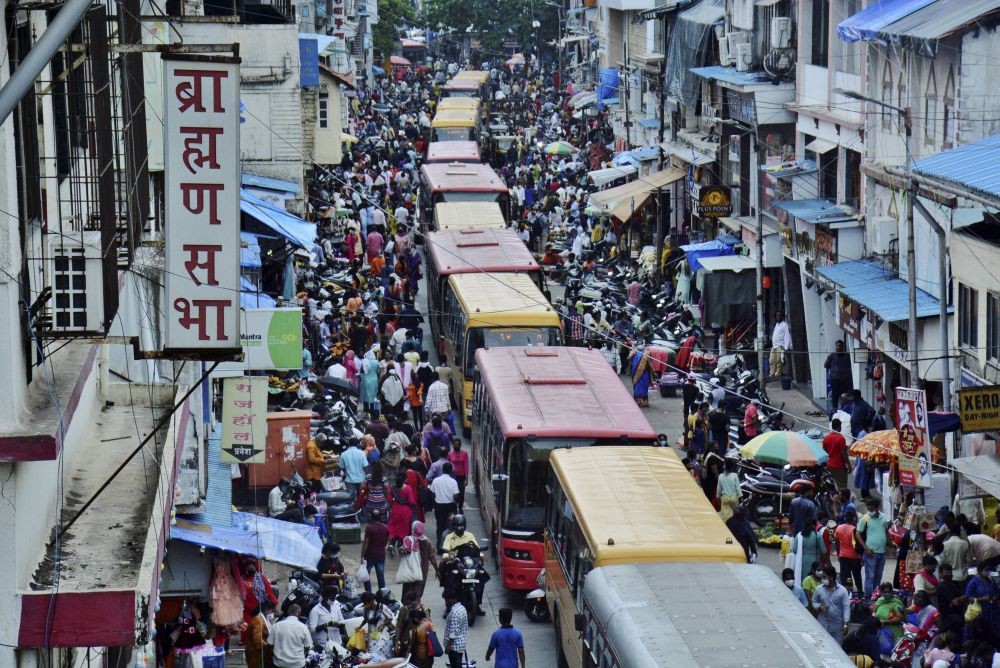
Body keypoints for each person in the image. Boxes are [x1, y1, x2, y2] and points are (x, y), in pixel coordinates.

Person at [856, 497, 890, 597]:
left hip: (882, 553)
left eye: (871, 509)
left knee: (878, 577)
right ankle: (867, 598)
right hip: (870, 553)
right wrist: (866, 549)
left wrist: (890, 544)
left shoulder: (883, 517)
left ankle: (876, 597)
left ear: (877, 508)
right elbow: (858, 534)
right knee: (870, 577)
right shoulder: (865, 519)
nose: (869, 511)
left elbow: (886, 532)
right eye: (868, 509)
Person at [812, 565, 851, 644]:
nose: (822, 579)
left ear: (831, 577)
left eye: (824, 577)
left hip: (837, 627)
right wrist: (819, 607)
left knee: (837, 648)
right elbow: (814, 601)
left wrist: (846, 624)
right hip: (822, 625)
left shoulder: (842, 591)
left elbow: (846, 607)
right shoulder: (819, 589)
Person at [402, 520, 437, 601]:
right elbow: (432, 557)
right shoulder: (427, 542)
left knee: (407, 589)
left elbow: (403, 551)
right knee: (419, 589)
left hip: (410, 569)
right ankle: (416, 603)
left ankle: (406, 606)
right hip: (422, 570)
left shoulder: (408, 540)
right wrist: (437, 569)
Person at [430, 461, 460, 547]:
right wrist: (455, 503)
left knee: (440, 526)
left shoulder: (436, 480)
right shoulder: (453, 481)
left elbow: (432, 492)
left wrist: (435, 503)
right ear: (451, 471)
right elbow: (456, 495)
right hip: (450, 506)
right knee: (450, 527)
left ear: (443, 470)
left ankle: (440, 546)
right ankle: (449, 546)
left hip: (439, 506)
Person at [834, 509, 864, 594]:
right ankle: (860, 592)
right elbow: (859, 545)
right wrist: (861, 557)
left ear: (845, 518)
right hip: (855, 557)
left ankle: (848, 592)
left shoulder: (839, 528)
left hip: (843, 556)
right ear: (854, 519)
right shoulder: (855, 530)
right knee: (857, 575)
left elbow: (837, 542)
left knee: (847, 576)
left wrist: (838, 553)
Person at [361, 509, 389, 593]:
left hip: (370, 555)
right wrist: (384, 547)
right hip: (380, 555)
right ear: (380, 517)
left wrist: (362, 555)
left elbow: (366, 543)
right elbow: (388, 539)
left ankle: (368, 592)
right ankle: (382, 593)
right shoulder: (385, 527)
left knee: (366, 575)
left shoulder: (369, 528)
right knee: (380, 575)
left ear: (371, 517)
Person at [824, 340, 853, 411]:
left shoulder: (847, 356)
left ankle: (844, 408)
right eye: (837, 346)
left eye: (839, 346)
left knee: (844, 394)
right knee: (835, 394)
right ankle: (834, 408)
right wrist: (834, 369)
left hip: (845, 379)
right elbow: (826, 365)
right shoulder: (831, 355)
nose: (838, 347)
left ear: (843, 347)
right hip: (834, 378)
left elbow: (851, 365)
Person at [443, 588, 469, 668]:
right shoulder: (462, 608)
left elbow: (453, 633)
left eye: (446, 600)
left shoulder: (454, 612)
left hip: (454, 647)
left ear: (451, 599)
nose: (446, 603)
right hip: (460, 644)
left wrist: (448, 646)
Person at [823, 419, 850, 489]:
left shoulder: (826, 438)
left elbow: (825, 449)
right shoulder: (841, 438)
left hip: (830, 465)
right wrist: (849, 465)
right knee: (842, 486)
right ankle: (842, 499)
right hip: (839, 466)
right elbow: (844, 454)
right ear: (839, 426)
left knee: (833, 484)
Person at [246, 601, 275, 668]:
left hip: (262, 651)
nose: (273, 613)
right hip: (255, 652)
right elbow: (257, 639)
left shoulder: (266, 619)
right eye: (272, 611)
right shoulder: (258, 620)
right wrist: (269, 647)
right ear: (267, 609)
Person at [447, 438, 470, 514]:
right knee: (453, 493)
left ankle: (460, 508)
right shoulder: (450, 454)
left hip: (461, 477)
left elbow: (466, 466)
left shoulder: (464, 453)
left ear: (460, 445)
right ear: (453, 445)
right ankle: (454, 508)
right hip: (453, 477)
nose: (456, 446)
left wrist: (466, 479)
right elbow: (448, 466)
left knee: (461, 493)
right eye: (455, 444)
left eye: (458, 444)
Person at [769, 311, 792, 379]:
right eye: (776, 316)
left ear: (782, 317)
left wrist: (786, 347)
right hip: (774, 346)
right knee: (772, 360)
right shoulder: (776, 324)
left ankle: (777, 374)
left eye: (779, 315)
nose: (778, 317)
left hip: (780, 345)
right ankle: (772, 374)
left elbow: (787, 336)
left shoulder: (785, 325)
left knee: (779, 361)